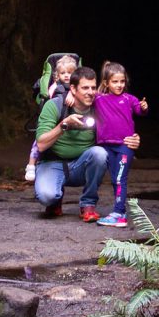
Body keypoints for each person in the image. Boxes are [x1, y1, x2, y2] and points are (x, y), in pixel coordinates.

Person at [34, 66, 139, 222]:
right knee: (48, 196)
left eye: (93, 87)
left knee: (100, 154)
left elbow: (120, 125)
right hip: (53, 162)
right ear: (73, 89)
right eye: (85, 88)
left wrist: (134, 138)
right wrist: (64, 125)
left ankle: (88, 205)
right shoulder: (55, 105)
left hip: (81, 165)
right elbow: (41, 145)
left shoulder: (100, 107)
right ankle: (56, 199)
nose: (90, 92)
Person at [93, 61, 149, 228]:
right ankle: (118, 210)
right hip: (106, 146)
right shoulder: (99, 99)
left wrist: (144, 107)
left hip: (125, 145)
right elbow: (83, 95)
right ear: (106, 83)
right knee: (114, 179)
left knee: (120, 178)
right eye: (115, 81)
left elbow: (140, 111)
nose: (119, 85)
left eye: (122, 81)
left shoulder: (129, 99)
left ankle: (119, 213)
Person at [25, 55, 78, 181]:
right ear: (57, 75)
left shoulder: (78, 88)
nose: (66, 76)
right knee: (38, 141)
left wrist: (72, 93)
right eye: (63, 73)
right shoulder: (55, 86)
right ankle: (31, 164)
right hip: (55, 119)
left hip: (70, 118)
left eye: (70, 73)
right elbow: (49, 96)